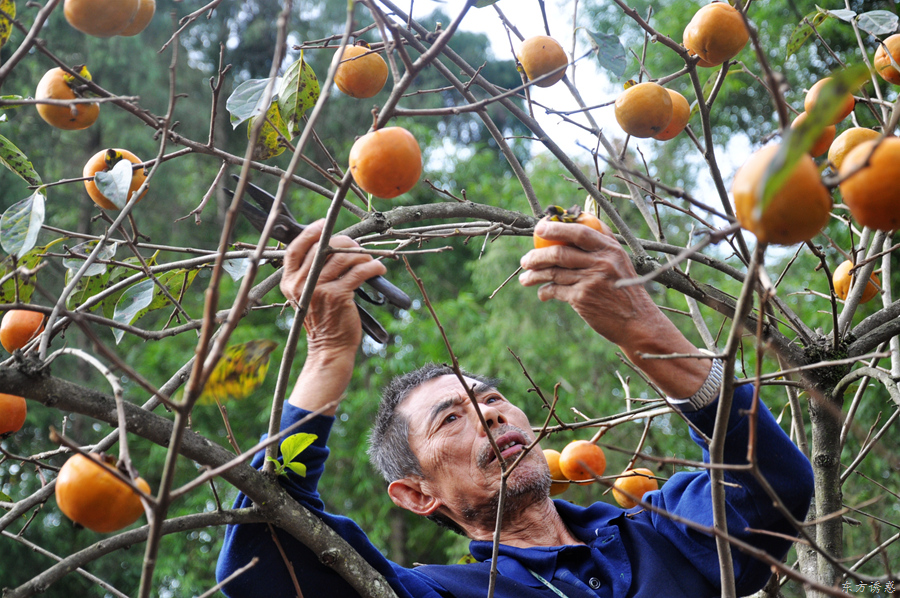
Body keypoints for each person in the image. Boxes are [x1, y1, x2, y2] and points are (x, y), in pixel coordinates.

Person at [216, 218, 814, 598]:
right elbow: (265, 562)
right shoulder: (438, 593)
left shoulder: (661, 536)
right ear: (416, 494)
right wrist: (327, 356)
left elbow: (771, 483)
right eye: (451, 418)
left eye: (492, 398)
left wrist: (641, 326)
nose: (491, 415)